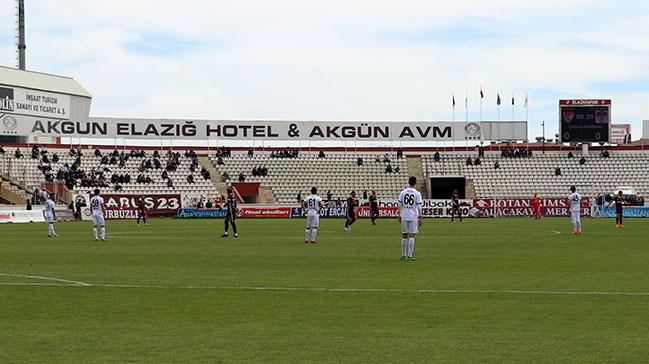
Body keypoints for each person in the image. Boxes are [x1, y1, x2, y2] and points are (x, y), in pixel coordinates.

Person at [398, 176, 423, 261]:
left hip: (404, 215)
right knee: (412, 235)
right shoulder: (417, 193)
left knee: (404, 235)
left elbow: (400, 205)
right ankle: (410, 255)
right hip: (413, 216)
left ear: (408, 182)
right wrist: (420, 217)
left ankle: (403, 255)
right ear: (415, 183)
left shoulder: (403, 192)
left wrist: (399, 214)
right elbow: (419, 207)